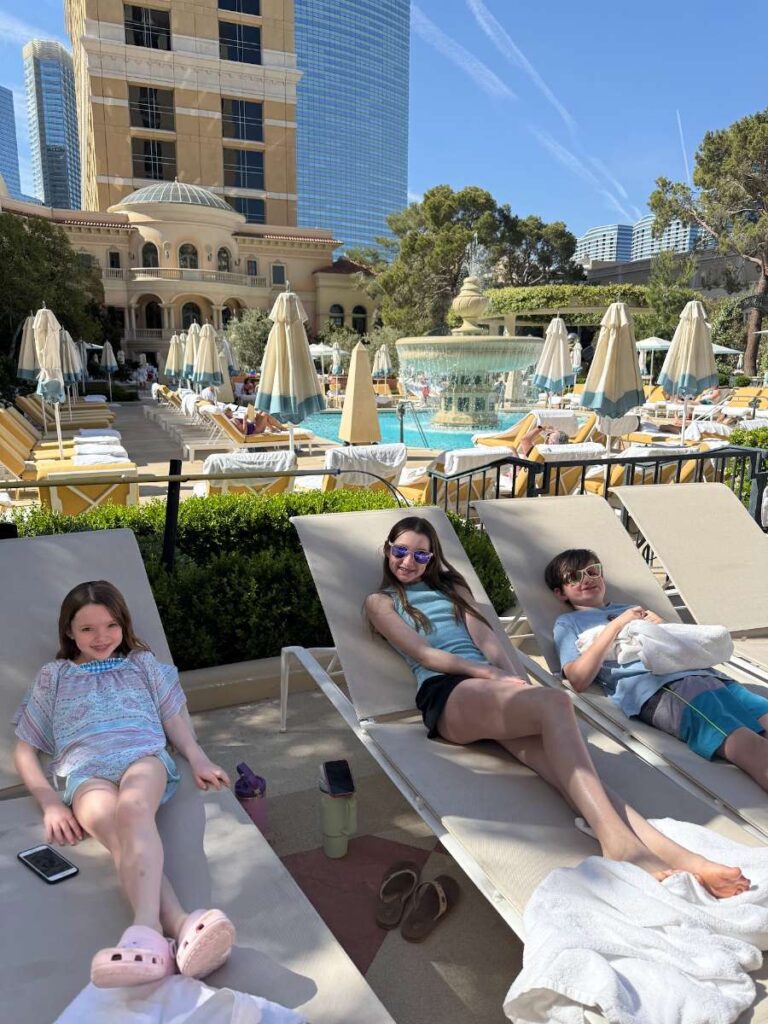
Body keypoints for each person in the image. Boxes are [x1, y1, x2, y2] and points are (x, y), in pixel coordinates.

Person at [365, 517, 749, 898]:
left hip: (492, 689)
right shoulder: (380, 602)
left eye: (420, 555)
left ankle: (686, 859)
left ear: (432, 558)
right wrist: (490, 675)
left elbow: (488, 639)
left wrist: (518, 682)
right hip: (448, 692)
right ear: (388, 550)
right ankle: (618, 844)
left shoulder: (453, 586)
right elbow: (424, 654)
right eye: (401, 551)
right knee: (557, 703)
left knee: (576, 777)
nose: (408, 561)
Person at [13, 581, 235, 988]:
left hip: (141, 757)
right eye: (87, 629)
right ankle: (180, 924)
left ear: (124, 625)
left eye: (111, 626)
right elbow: (24, 751)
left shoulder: (142, 664)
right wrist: (50, 803)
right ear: (69, 631)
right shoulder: (54, 676)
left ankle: (146, 929)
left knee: (132, 810)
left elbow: (173, 721)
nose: (101, 637)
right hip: (85, 773)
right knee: (118, 835)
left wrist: (198, 758)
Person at [545, 548, 768, 791]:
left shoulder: (632, 609)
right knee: (749, 746)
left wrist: (660, 627)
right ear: (560, 593)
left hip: (710, 676)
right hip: (663, 689)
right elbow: (577, 678)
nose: (587, 579)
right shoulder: (568, 623)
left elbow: (674, 647)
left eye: (592, 571)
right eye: (574, 577)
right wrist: (618, 625)